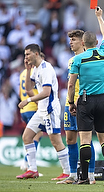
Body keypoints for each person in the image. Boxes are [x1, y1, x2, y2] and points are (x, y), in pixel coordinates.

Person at [67, 6, 104, 185]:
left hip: (85, 101)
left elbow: (71, 84)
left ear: (83, 44)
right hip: (102, 99)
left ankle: (84, 177)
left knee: (85, 140)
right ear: (96, 42)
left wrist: (71, 102)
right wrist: (99, 17)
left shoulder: (78, 59)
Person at [16, 44, 70, 179]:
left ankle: (68, 172)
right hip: (41, 110)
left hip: (50, 110)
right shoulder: (35, 69)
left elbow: (46, 92)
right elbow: (29, 88)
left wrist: (28, 101)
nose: (26, 57)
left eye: (27, 54)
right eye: (24, 55)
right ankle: (32, 170)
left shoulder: (46, 68)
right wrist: (28, 70)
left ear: (36, 54)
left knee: (56, 141)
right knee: (27, 137)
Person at [56, 30, 96, 184]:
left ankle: (91, 175)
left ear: (82, 42)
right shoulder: (71, 60)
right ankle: (72, 175)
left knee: (86, 139)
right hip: (69, 103)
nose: (71, 42)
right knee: (70, 139)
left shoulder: (89, 59)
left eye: (74, 39)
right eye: (70, 39)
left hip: (83, 104)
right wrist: (70, 101)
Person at [19, 53, 44, 172]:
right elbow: (30, 91)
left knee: (30, 135)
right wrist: (39, 103)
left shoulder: (23, 73)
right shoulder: (35, 72)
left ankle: (28, 164)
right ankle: (27, 163)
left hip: (23, 109)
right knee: (36, 136)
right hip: (33, 107)